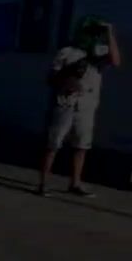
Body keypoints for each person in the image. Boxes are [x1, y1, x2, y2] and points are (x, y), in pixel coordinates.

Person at [38, 16, 122, 197]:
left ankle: (75, 183)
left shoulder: (98, 53)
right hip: (66, 103)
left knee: (82, 145)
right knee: (54, 144)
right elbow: (50, 78)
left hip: (87, 105)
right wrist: (67, 77)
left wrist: (109, 32)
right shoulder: (67, 52)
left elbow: (116, 61)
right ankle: (44, 183)